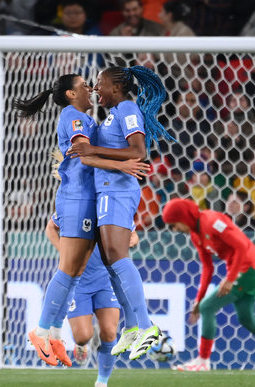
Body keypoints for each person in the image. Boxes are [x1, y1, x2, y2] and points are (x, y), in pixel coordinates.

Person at [15, 73, 149, 366]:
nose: (89, 88)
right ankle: (40, 331)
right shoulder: (72, 116)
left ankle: (54, 334)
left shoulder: (88, 120)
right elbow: (84, 157)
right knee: (68, 270)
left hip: (91, 199)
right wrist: (123, 163)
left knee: (75, 272)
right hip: (77, 198)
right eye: (83, 86)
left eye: (92, 84)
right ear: (70, 94)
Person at [67, 65, 175, 360]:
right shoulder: (114, 112)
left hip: (118, 191)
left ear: (115, 87)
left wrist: (92, 152)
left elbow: (137, 151)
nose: (95, 89)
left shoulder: (127, 107)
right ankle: (131, 326)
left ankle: (145, 326)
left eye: (99, 83)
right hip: (106, 190)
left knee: (117, 256)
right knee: (109, 257)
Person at [162, 197, 255, 373]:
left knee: (208, 307)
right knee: (246, 319)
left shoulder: (212, 221)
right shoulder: (196, 235)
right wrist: (198, 300)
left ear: (184, 217)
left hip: (249, 270)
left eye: (174, 224)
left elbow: (241, 246)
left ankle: (203, 361)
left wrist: (230, 278)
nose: (175, 229)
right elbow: (207, 269)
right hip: (242, 270)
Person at [45, 216, 140, 387]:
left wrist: (129, 240)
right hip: (79, 283)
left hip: (106, 281)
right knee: (82, 336)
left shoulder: (113, 206)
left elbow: (134, 235)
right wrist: (64, 252)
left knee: (110, 332)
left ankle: (102, 383)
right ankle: (87, 340)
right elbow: (51, 227)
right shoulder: (75, 203)